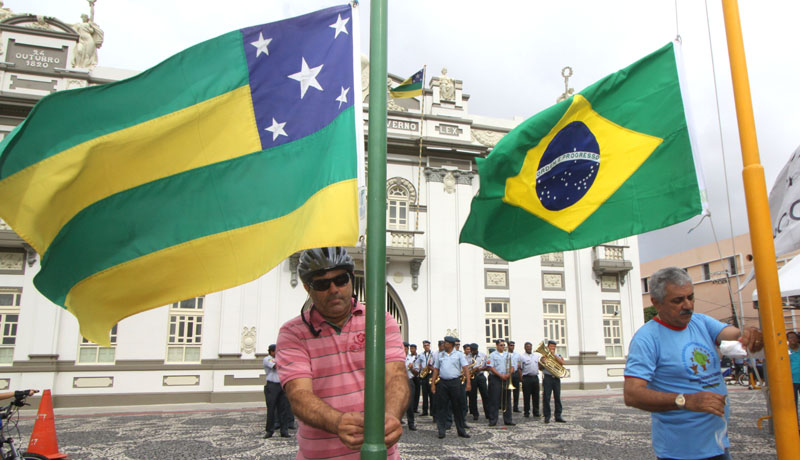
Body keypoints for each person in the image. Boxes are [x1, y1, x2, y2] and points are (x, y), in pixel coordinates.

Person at [276, 247, 408, 460]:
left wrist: (392, 416)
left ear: (351, 279)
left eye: (341, 279)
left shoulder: (380, 321)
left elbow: (397, 376)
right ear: (307, 288)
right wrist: (336, 421)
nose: (334, 289)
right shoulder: (293, 333)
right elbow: (298, 395)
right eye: (322, 284)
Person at [624, 266, 763, 460]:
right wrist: (686, 401)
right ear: (657, 303)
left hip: (719, 444)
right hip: (680, 452)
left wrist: (751, 332)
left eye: (691, 297)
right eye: (678, 300)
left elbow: (734, 334)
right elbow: (632, 394)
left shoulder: (701, 322)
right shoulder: (646, 339)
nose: (688, 305)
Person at [430, 336, 471, 439]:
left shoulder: (459, 355)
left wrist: (468, 382)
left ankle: (461, 430)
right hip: (443, 383)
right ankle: (441, 430)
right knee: (441, 407)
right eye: (444, 342)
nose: (444, 344)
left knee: (457, 407)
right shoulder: (440, 355)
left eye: (446, 343)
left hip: (455, 382)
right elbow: (436, 369)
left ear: (451, 344)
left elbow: (465, 368)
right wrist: (433, 384)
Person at [263, 344, 291, 438]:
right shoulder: (268, 359)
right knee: (271, 409)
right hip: (272, 386)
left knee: (283, 409)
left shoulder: (279, 359)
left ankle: (284, 430)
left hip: (282, 385)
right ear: (271, 351)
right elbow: (276, 366)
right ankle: (269, 430)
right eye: (276, 351)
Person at [486, 339, 515, 426]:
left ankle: (508, 420)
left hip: (506, 378)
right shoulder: (492, 355)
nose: (503, 347)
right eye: (501, 345)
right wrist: (500, 375)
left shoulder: (508, 355)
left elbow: (512, 366)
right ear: (497, 346)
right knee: (494, 399)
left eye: (503, 345)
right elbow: (491, 367)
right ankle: (493, 420)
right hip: (496, 378)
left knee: (507, 400)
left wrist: (509, 374)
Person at [541, 340, 566, 423]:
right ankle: (547, 416)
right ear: (548, 347)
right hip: (547, 378)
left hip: (556, 378)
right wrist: (545, 359)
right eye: (551, 346)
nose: (553, 348)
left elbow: (562, 362)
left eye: (554, 347)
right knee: (546, 397)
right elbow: (541, 365)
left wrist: (554, 356)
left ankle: (558, 415)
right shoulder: (544, 355)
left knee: (557, 397)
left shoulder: (558, 355)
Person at [467, 342, 489, 421]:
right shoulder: (467, 357)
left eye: (474, 350)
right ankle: (475, 414)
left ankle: (488, 413)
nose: (473, 352)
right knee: (472, 396)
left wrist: (480, 369)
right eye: (472, 350)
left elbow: (488, 367)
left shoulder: (483, 355)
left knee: (485, 395)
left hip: (480, 376)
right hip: (472, 377)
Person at [520, 341, 542, 418]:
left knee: (536, 396)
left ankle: (536, 412)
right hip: (526, 378)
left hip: (535, 378)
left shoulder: (536, 356)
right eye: (527, 347)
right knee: (526, 396)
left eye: (530, 347)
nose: (529, 348)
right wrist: (521, 379)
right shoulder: (522, 357)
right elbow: (520, 368)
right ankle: (526, 412)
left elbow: (539, 366)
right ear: (525, 348)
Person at [415, 340, 434, 416]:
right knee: (424, 394)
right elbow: (417, 363)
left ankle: (432, 411)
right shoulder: (421, 355)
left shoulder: (433, 354)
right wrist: (419, 370)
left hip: (430, 374)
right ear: (423, 346)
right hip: (424, 375)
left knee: (431, 394)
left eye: (428, 345)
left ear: (429, 346)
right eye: (425, 345)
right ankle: (425, 411)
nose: (426, 347)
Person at [403, 342, 417, 431]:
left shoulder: (411, 359)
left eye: (405, 348)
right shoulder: (397, 359)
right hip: (399, 381)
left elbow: (416, 373)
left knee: (410, 403)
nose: (404, 350)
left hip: (409, 380)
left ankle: (411, 423)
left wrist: (411, 368)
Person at [508, 341, 522, 413]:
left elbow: (519, 366)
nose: (512, 347)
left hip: (515, 374)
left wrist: (520, 376)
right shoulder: (505, 354)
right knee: (507, 391)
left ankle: (515, 407)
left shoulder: (517, 355)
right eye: (510, 345)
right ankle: (507, 406)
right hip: (508, 374)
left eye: (513, 345)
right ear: (508, 346)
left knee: (516, 391)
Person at [787, 331, 800, 407]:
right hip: (792, 380)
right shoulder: (785, 350)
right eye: (790, 337)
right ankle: (795, 419)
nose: (793, 339)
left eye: (794, 337)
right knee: (793, 403)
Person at [409, 343, 421, 413]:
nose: (412, 350)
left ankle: (415, 408)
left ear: (415, 349)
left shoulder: (419, 356)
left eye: (413, 348)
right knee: (412, 393)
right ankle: (411, 407)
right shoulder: (409, 357)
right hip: (411, 375)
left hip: (417, 375)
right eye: (411, 348)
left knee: (417, 392)